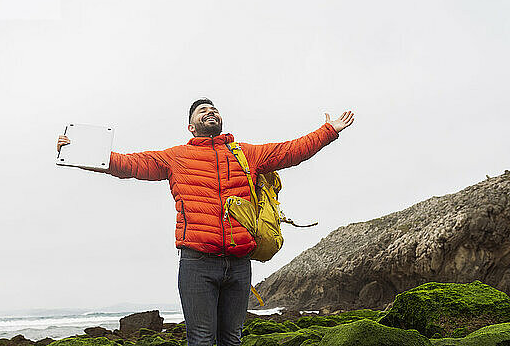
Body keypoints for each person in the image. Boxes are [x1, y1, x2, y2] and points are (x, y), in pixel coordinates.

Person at [56, 98, 354, 346]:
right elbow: (128, 164)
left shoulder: (247, 154)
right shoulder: (176, 158)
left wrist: (329, 130)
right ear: (191, 125)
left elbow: (292, 150)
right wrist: (76, 150)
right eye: (203, 111)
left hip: (238, 263)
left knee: (232, 340)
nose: (210, 112)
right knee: (200, 340)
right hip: (197, 263)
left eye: (214, 109)